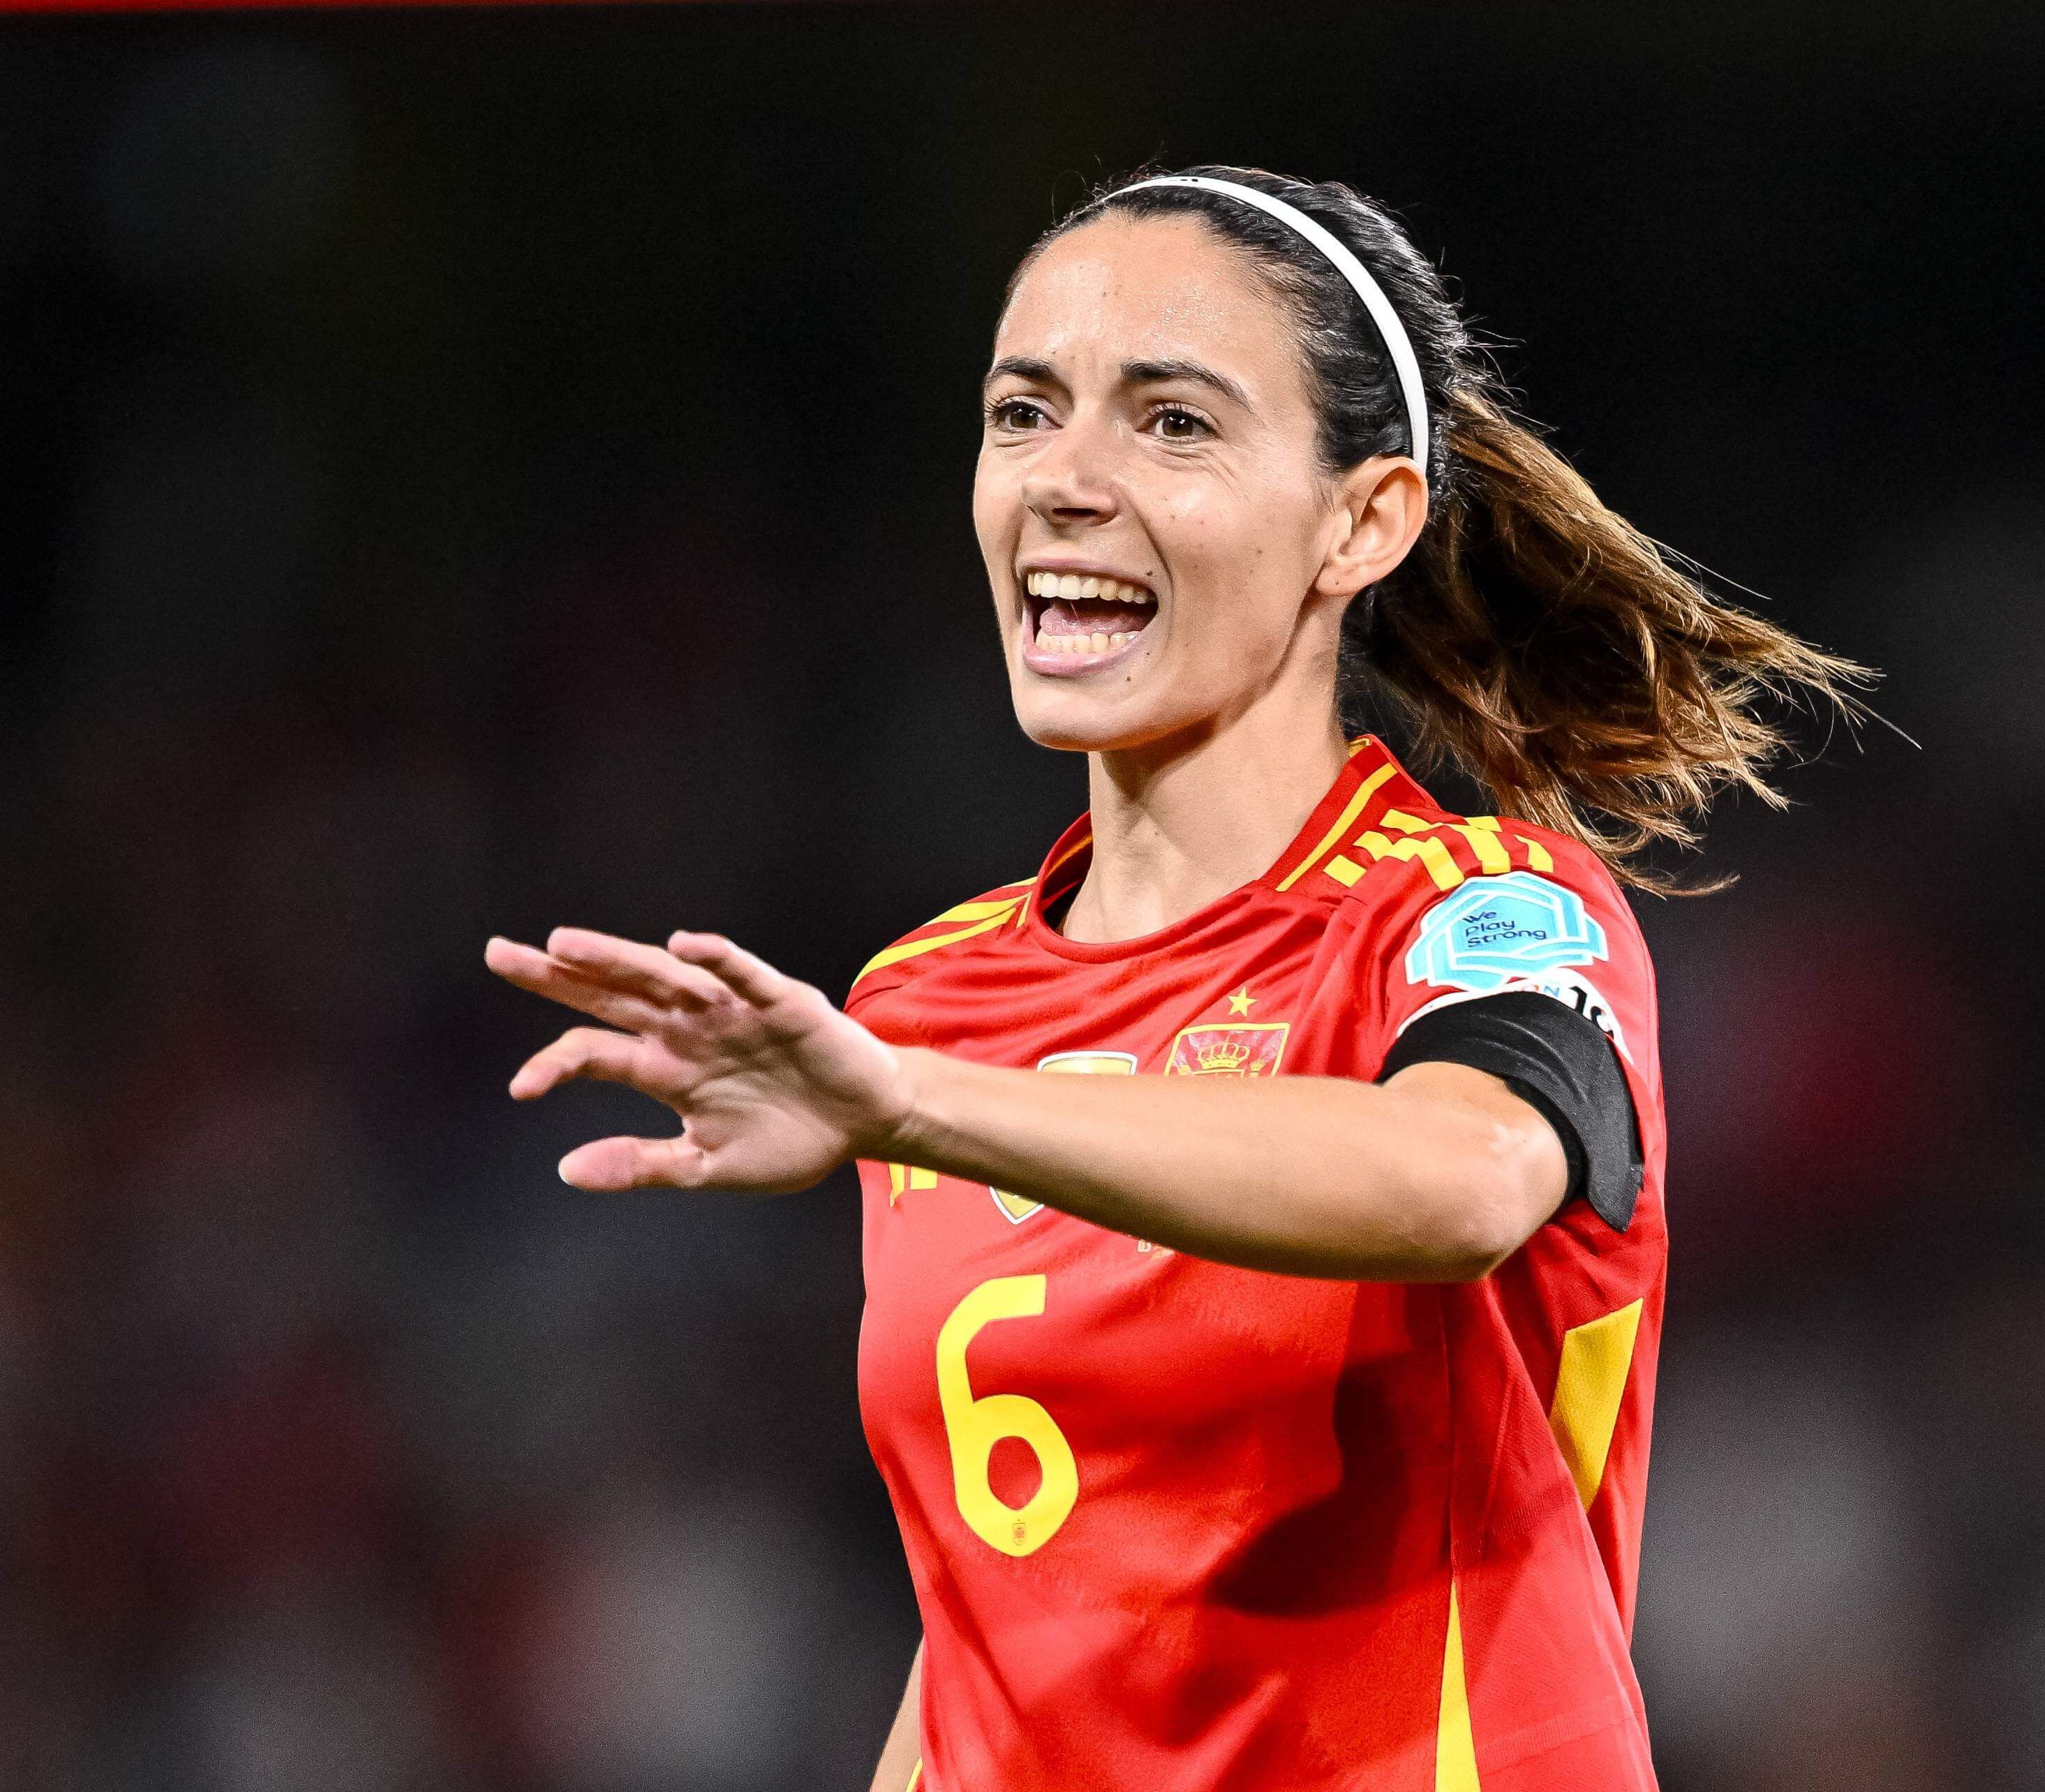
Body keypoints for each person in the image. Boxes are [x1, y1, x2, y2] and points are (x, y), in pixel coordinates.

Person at [484, 165, 1861, 1792]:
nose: (1063, 480)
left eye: (1172, 424)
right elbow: (994, 1612)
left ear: (1364, 518)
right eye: (1021, 412)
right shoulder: (923, 997)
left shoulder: (1472, 910)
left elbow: (1465, 1177)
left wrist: (911, 1108)